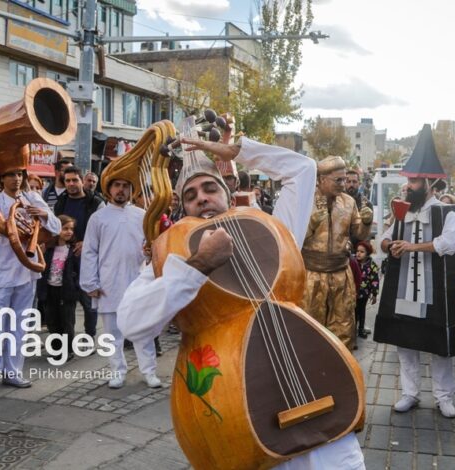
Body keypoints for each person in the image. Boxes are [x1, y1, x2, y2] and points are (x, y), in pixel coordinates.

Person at [116, 136, 364, 469]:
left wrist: (238, 151)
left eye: (209, 188)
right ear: (182, 207)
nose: (202, 198)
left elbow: (302, 170)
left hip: (313, 386)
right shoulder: (171, 254)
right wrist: (198, 265)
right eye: (191, 196)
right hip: (237, 412)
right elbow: (131, 323)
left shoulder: (270, 227)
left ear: (228, 194)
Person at [374, 124, 455, 419]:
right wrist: (390, 245)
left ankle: (443, 397)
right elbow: (382, 238)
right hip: (403, 288)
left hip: (435, 288)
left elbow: (448, 244)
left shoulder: (445, 211)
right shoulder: (401, 209)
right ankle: (410, 394)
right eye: (407, 181)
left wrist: (412, 248)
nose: (407, 186)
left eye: (413, 182)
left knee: (438, 345)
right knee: (405, 343)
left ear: (428, 183)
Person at [0, 165, 60, 395]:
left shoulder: (32, 198)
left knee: (19, 327)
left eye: (19, 174)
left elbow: (56, 227)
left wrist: (42, 214)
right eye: (11, 175)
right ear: (2, 179)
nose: (16, 179)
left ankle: (12, 372)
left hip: (25, 273)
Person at [81, 177, 161, 389]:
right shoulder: (98, 218)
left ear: (131, 190)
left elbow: (150, 246)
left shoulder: (141, 215)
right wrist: (91, 282)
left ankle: (149, 371)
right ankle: (117, 371)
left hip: (137, 279)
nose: (121, 190)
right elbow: (89, 251)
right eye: (117, 185)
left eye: (125, 186)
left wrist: (148, 253)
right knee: (112, 334)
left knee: (142, 330)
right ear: (109, 189)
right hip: (109, 282)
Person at [302, 156, 373, 349]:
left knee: (343, 329)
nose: (343, 184)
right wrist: (311, 224)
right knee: (310, 329)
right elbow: (292, 236)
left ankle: (340, 373)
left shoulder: (349, 202)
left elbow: (359, 233)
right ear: (321, 179)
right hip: (312, 276)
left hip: (341, 275)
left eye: (344, 179)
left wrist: (366, 223)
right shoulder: (305, 200)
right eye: (338, 180)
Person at [53, 167, 105, 340]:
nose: (71, 184)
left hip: (88, 259)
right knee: (67, 303)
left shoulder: (95, 202)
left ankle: (90, 337)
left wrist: (87, 243)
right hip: (65, 258)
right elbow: (55, 228)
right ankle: (68, 340)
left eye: (74, 180)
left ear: (82, 181)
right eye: (67, 181)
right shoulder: (60, 202)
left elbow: (104, 231)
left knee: (88, 302)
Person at [40, 215, 79, 363]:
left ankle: (67, 350)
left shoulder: (73, 250)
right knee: (52, 321)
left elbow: (77, 270)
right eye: (65, 228)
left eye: (71, 229)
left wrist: (75, 286)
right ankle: (57, 349)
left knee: (67, 322)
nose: (69, 232)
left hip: (66, 290)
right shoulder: (49, 248)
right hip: (50, 289)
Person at [354, 240, 379, 339]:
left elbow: (375, 280)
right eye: (357, 251)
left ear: (367, 253)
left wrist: (374, 294)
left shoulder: (371, 265)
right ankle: (353, 330)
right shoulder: (353, 263)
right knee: (354, 312)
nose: (358, 253)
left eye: (362, 252)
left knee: (362, 311)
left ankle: (361, 329)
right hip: (354, 293)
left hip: (364, 294)